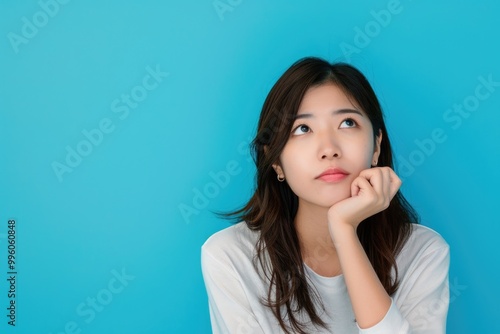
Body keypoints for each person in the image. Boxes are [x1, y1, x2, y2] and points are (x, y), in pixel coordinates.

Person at [201, 57, 450, 333]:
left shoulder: (422, 253)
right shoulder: (231, 257)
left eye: (347, 123)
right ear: (276, 161)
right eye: (303, 129)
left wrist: (344, 231)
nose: (329, 149)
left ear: (377, 146)